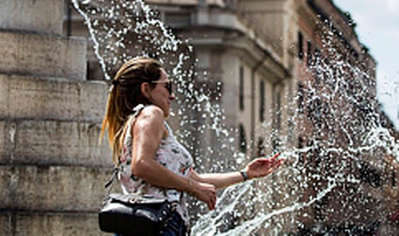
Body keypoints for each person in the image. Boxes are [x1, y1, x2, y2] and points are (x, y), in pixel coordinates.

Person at [101, 57, 283, 235]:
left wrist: (245, 174)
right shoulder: (151, 113)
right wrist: (192, 188)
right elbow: (141, 165)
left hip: (151, 223)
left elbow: (196, 179)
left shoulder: (137, 122)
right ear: (146, 89)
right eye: (167, 86)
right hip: (158, 223)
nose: (172, 95)